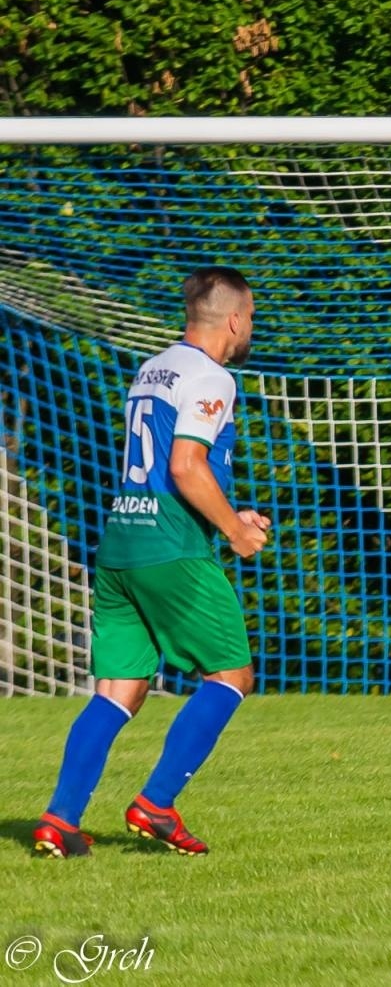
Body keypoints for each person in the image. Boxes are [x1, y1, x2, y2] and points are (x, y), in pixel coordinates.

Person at [34, 266, 269, 858]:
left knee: (120, 690)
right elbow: (185, 466)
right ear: (234, 319)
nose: (250, 328)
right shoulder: (213, 376)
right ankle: (156, 804)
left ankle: (60, 820)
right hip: (171, 548)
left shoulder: (153, 368)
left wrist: (230, 511)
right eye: (251, 318)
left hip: (122, 545)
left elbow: (166, 464)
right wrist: (234, 531)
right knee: (231, 676)